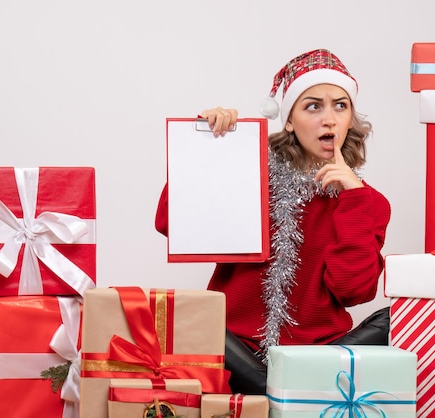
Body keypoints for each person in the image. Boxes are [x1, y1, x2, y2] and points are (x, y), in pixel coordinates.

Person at [155, 48, 391, 394]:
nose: (330, 119)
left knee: (396, 318)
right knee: (191, 319)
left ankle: (277, 389)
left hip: (317, 355)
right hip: (235, 349)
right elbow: (169, 222)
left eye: (340, 106)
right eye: (314, 106)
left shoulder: (367, 201)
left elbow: (353, 291)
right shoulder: (250, 175)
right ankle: (284, 391)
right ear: (290, 120)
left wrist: (352, 198)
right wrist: (210, 147)